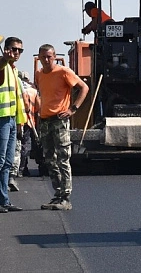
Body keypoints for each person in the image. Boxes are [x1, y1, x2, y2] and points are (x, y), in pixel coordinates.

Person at [36, 43, 89, 211]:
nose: (46, 60)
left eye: (49, 57)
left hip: (59, 120)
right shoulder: (39, 74)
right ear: (39, 58)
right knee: (49, 159)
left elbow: (84, 87)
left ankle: (66, 198)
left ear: (54, 57)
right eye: (43, 57)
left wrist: (73, 109)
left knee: (63, 159)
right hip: (45, 121)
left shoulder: (63, 72)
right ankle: (57, 194)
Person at [0, 36, 27, 214]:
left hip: (11, 120)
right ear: (6, 49)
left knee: (7, 162)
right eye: (13, 49)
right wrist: (4, 59)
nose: (16, 53)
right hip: (0, 119)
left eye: (20, 50)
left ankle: (4, 200)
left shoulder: (14, 70)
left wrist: (20, 122)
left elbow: (18, 100)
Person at [17, 71, 38, 178]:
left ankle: (16, 169)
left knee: (16, 146)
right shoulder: (33, 91)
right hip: (28, 122)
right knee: (25, 145)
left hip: (17, 121)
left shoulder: (15, 89)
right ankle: (23, 169)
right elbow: (38, 107)